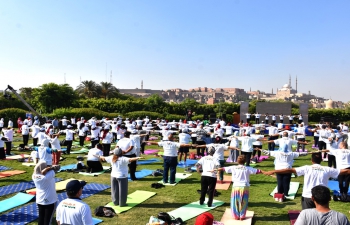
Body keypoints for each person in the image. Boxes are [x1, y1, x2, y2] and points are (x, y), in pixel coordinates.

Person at [266, 153, 350, 209]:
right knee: (321, 216)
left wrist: (274, 171)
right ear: (321, 160)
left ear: (311, 160)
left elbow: (289, 170)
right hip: (322, 196)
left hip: (307, 196)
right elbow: (345, 171)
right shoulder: (327, 169)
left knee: (307, 216)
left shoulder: (307, 168)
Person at [216, 155, 268, 220]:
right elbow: (258, 171)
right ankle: (242, 216)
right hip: (245, 187)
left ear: (238, 161)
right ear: (245, 161)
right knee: (244, 202)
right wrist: (265, 172)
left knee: (235, 202)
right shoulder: (248, 168)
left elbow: (223, 168)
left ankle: (236, 216)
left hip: (236, 187)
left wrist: (216, 169)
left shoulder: (233, 167)